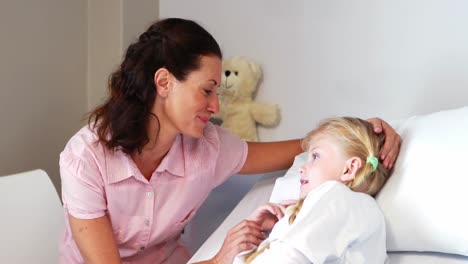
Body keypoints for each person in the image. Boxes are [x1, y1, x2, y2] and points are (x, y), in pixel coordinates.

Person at [58, 18, 400, 264]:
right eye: (207, 91)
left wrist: (357, 135)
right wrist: (219, 260)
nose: (216, 106)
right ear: (164, 83)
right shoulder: (85, 159)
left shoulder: (207, 147)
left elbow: (299, 149)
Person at [232, 117, 391, 264]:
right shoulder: (354, 207)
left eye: (315, 156)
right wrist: (255, 233)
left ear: (349, 169)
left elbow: (289, 256)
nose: (302, 168)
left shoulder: (336, 195)